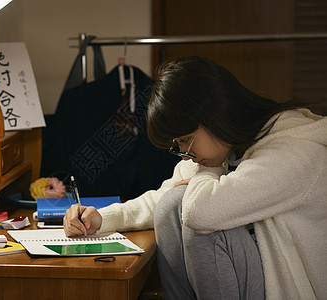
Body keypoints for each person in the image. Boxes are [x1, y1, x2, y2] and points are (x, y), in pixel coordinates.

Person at [63, 56, 327, 299]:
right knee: (171, 205)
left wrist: (207, 173)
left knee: (198, 220)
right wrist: (102, 218)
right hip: (255, 279)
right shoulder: (222, 150)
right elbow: (164, 197)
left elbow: (199, 211)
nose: (185, 154)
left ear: (214, 115)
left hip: (287, 291)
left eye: (186, 141)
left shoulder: (296, 153)